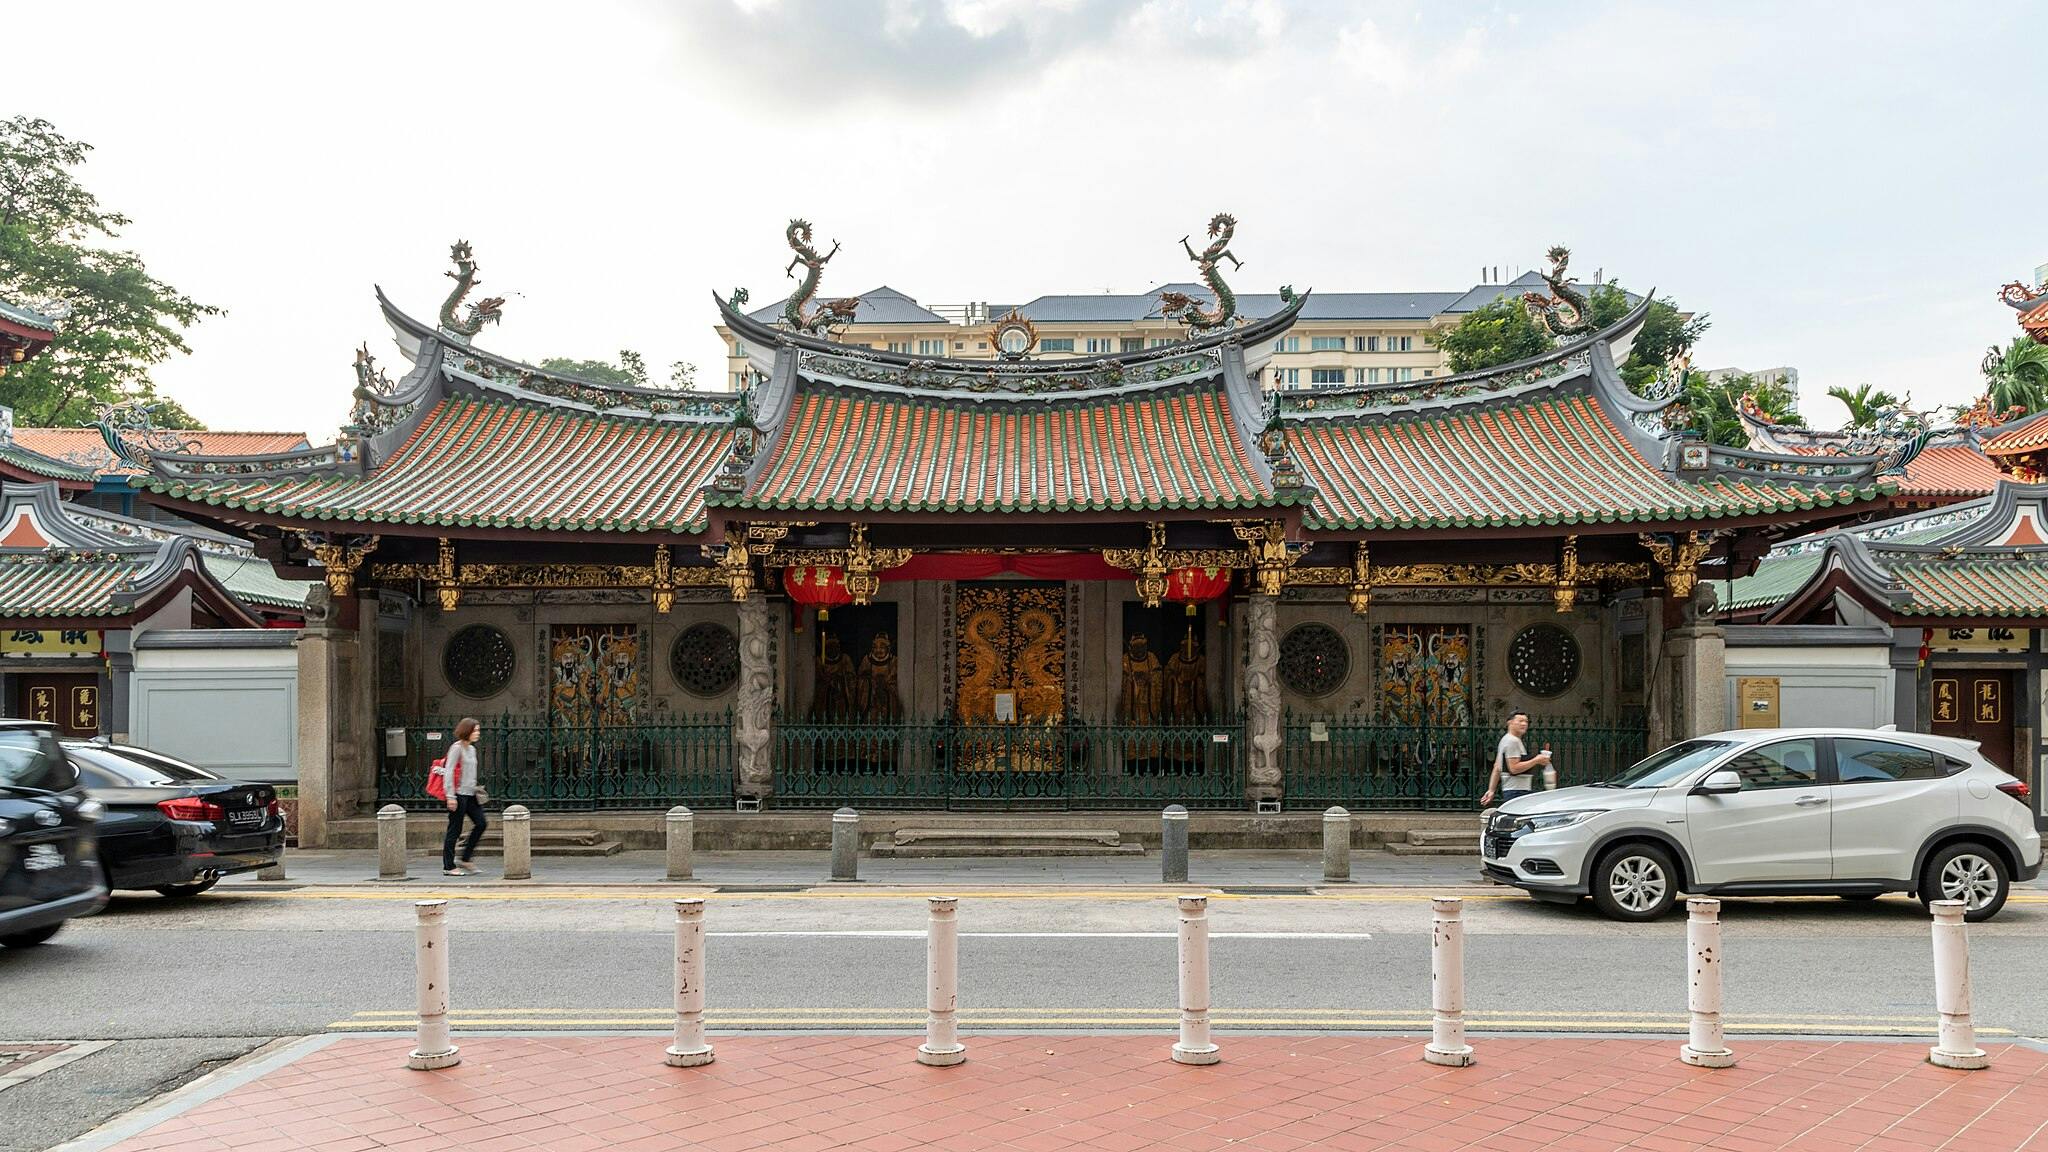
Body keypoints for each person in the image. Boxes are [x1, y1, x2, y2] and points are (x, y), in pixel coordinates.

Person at [439, 717, 486, 876]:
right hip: (458, 794)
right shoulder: (456, 748)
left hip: (470, 794)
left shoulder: (472, 749)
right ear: (467, 731)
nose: (478, 733)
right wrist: (450, 795)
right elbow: (449, 771)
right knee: (455, 830)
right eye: (476, 730)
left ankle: (465, 858)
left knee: (481, 823)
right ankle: (448, 866)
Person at [1480, 711, 1550, 806]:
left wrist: (1491, 790)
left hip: (1514, 790)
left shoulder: (1507, 739)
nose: (1524, 724)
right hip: (1517, 791)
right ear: (1510, 723)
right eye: (1520, 721)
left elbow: (1497, 767)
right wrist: (1536, 760)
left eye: (1526, 721)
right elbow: (1514, 769)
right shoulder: (1512, 741)